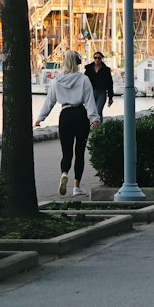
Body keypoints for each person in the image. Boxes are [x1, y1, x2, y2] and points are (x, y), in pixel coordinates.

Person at [36, 48, 100, 199]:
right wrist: (94, 118)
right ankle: (76, 187)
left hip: (65, 115)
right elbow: (90, 101)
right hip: (80, 115)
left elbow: (50, 101)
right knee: (79, 152)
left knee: (66, 152)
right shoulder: (84, 79)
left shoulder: (57, 80)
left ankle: (64, 173)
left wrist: (40, 117)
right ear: (77, 63)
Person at [83, 51, 115, 121]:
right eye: (95, 58)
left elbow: (110, 83)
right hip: (91, 92)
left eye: (99, 58)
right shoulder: (88, 69)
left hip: (102, 92)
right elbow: (84, 81)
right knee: (90, 110)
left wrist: (110, 97)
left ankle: (99, 128)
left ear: (101, 59)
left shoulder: (106, 70)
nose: (97, 60)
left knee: (98, 111)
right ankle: (90, 126)